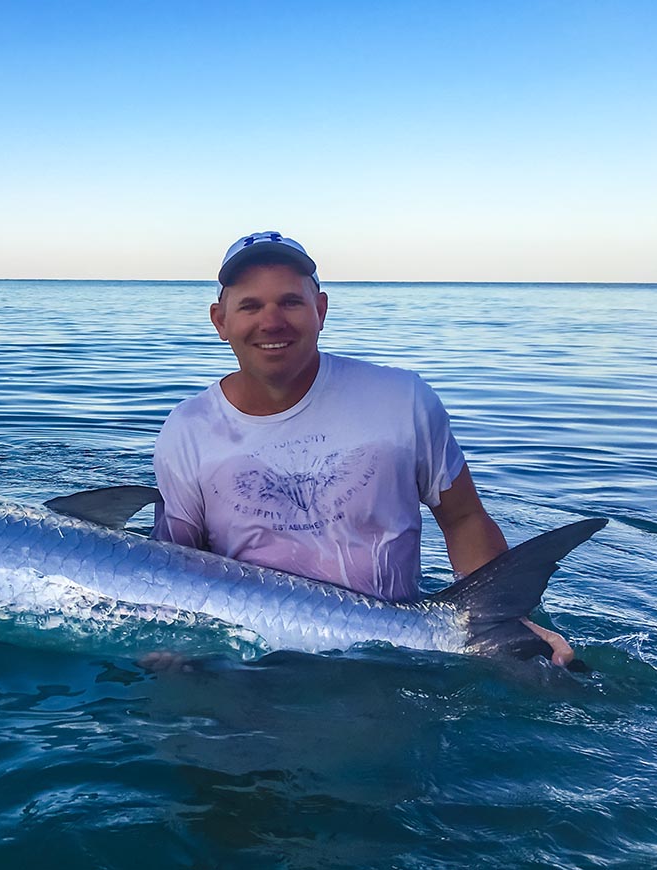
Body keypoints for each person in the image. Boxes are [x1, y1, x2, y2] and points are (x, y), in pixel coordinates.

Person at [151, 231, 572, 664]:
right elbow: (175, 562)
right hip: (251, 667)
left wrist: (504, 621)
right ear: (220, 321)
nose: (271, 321)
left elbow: (464, 518)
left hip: (392, 662)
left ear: (321, 309)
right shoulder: (187, 430)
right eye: (250, 306)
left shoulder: (401, 399)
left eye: (291, 302)